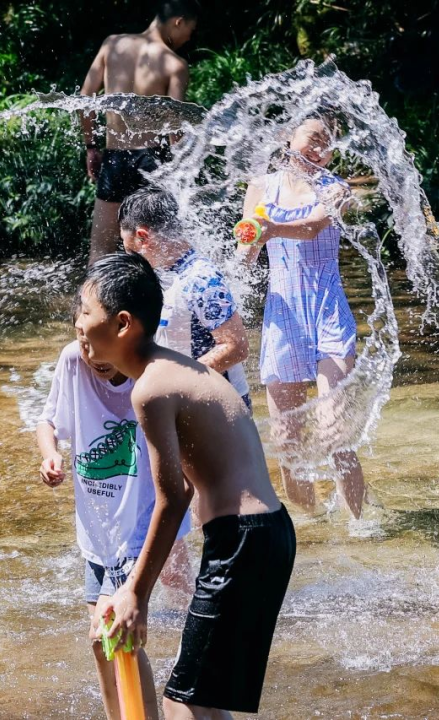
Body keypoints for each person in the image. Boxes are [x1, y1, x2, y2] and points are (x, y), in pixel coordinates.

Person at [79, 253, 296, 718]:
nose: (78, 324)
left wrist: (135, 592)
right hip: (262, 535)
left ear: (121, 325)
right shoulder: (173, 368)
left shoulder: (151, 389)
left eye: (84, 311)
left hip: (244, 539)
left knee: (185, 707)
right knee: (202, 701)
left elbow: (173, 498)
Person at [36, 299, 192, 720]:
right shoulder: (73, 361)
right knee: (105, 640)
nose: (90, 354)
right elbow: (47, 420)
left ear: (121, 332)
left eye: (94, 342)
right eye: (80, 340)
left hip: (137, 522)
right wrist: (50, 454)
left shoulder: (151, 378)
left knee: (109, 631)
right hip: (98, 527)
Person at [237, 116, 365, 519]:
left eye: (327, 144)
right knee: (287, 443)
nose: (319, 149)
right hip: (283, 315)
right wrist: (248, 247)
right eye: (312, 139)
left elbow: (312, 229)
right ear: (287, 138)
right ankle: (313, 527)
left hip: (327, 310)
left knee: (334, 431)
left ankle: (361, 529)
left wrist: (270, 228)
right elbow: (246, 251)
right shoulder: (260, 187)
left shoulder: (336, 188)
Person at [80, 0, 199, 265]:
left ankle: (89, 305)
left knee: (100, 250)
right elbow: (173, 128)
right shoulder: (174, 64)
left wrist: (91, 146)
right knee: (157, 250)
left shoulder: (112, 45)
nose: (189, 38)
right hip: (152, 160)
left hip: (114, 157)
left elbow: (85, 98)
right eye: (190, 30)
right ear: (178, 22)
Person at [118, 188, 252, 408]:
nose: (132, 260)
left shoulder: (201, 279)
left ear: (143, 237)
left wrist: (175, 381)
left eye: (131, 251)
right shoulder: (166, 273)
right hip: (187, 400)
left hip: (219, 406)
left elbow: (236, 346)